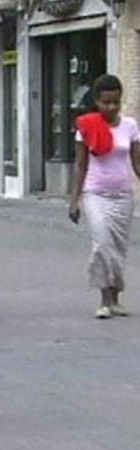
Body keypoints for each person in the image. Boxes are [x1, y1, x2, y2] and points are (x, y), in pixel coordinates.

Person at [69, 74, 140, 319]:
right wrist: (74, 199)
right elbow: (80, 164)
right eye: (106, 103)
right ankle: (103, 299)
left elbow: (137, 162)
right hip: (95, 193)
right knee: (102, 244)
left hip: (124, 194)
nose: (111, 108)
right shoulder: (86, 126)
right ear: (96, 102)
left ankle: (116, 296)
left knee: (118, 248)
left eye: (116, 103)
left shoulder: (130, 126)